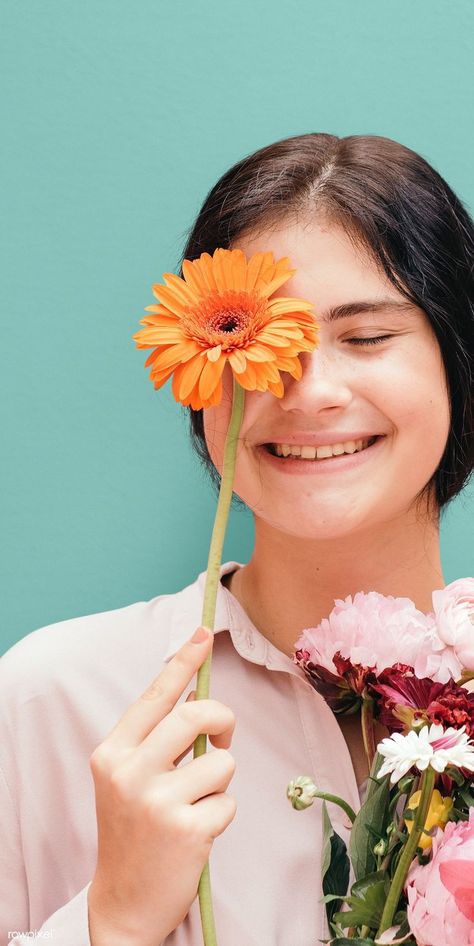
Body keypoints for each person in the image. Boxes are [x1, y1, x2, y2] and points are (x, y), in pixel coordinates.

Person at [0, 132, 473, 946]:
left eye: (366, 338)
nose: (312, 393)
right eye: (263, 344)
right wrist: (110, 919)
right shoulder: (51, 702)